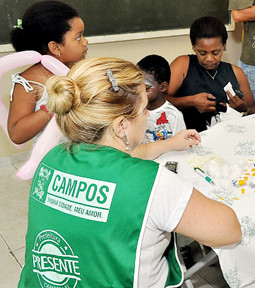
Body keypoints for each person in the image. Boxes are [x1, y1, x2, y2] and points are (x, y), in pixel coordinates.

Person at [17, 57, 241, 288]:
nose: (147, 116)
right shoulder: (149, 182)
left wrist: (168, 144)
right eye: (144, 109)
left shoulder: (50, 160)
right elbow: (229, 231)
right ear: (122, 125)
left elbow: (111, 164)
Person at [8, 0, 87, 145]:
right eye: (78, 37)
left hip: (83, 156)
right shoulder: (29, 82)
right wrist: (52, 106)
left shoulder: (79, 70)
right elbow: (16, 134)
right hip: (52, 159)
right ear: (55, 47)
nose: (85, 42)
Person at [166, 16, 255, 132]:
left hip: (227, 137)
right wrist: (191, 101)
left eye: (215, 52)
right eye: (202, 53)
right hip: (189, 139)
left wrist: (243, 108)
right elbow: (159, 100)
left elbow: (254, 112)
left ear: (224, 45)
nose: (209, 59)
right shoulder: (183, 65)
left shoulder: (236, 73)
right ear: (193, 46)